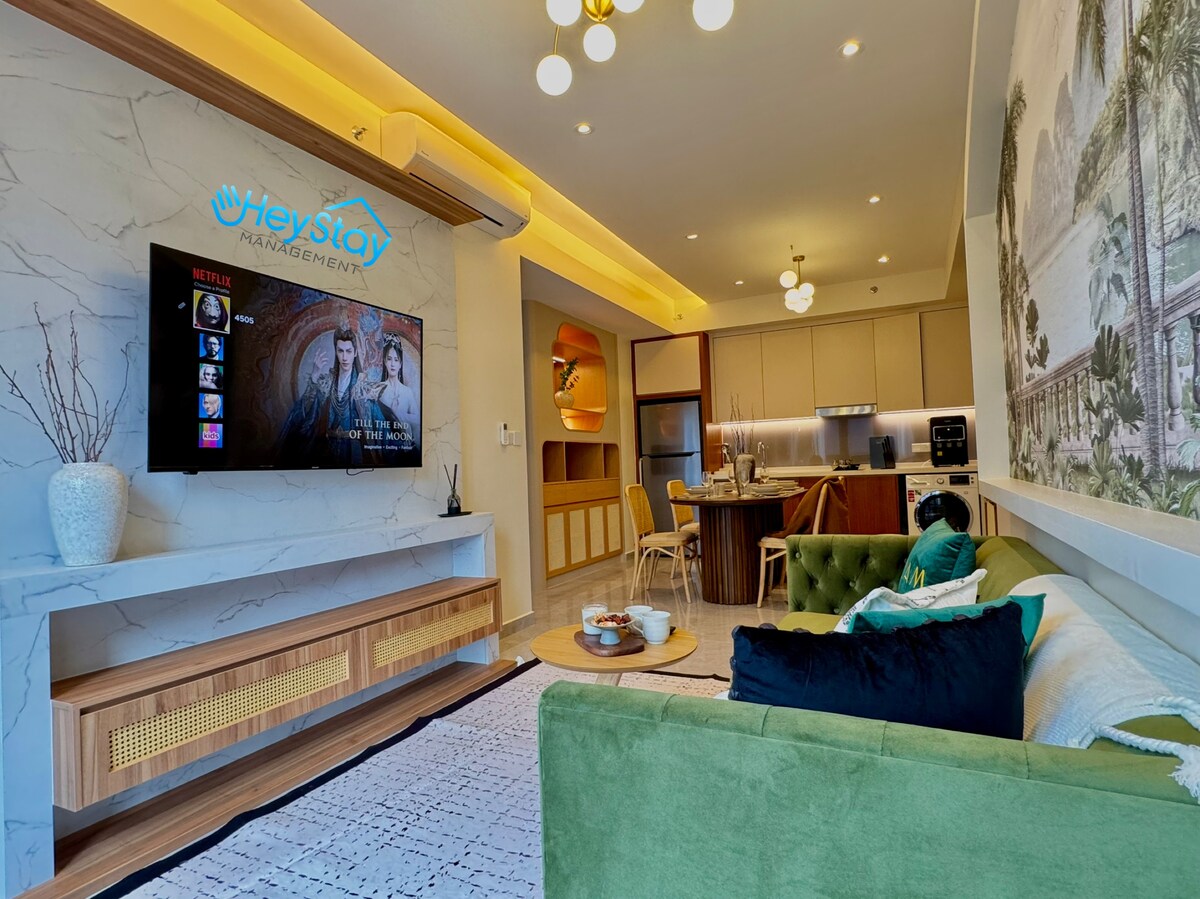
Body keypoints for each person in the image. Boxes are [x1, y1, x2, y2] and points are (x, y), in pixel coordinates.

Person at [276, 324, 382, 467]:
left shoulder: (363, 387)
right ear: (336, 352)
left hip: (354, 452)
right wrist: (314, 376)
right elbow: (308, 413)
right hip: (327, 451)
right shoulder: (327, 383)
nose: (344, 357)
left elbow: (378, 425)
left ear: (355, 353)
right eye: (340, 351)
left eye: (349, 351)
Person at [366, 333, 420, 457]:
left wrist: (399, 414)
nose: (392, 364)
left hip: (407, 449)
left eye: (396, 360)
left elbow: (417, 419)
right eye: (389, 359)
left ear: (400, 363)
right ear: (385, 361)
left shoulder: (407, 392)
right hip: (385, 449)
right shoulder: (378, 389)